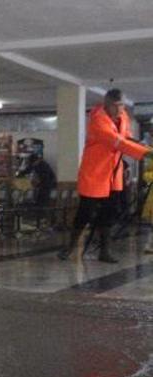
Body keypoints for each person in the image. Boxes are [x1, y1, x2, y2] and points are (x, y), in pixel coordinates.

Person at [58, 89, 153, 262]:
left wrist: (146, 148)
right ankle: (71, 247)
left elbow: (127, 138)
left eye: (122, 105)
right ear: (106, 105)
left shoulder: (123, 117)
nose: (120, 110)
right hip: (94, 174)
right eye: (115, 106)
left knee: (109, 213)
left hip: (113, 175)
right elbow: (117, 142)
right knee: (85, 212)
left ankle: (105, 251)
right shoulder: (98, 121)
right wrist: (146, 154)